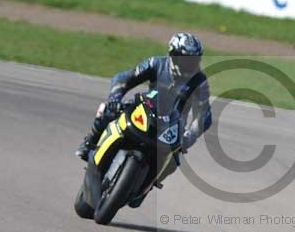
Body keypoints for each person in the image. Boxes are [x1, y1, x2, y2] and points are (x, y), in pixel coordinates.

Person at [75, 32, 212, 195]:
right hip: (146, 109)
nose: (190, 64)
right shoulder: (156, 63)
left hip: (173, 125)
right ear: (173, 55)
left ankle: (149, 185)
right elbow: (124, 78)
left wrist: (188, 138)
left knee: (174, 160)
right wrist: (115, 98)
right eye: (185, 59)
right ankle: (90, 142)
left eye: (194, 60)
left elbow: (204, 115)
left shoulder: (199, 81)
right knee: (105, 110)